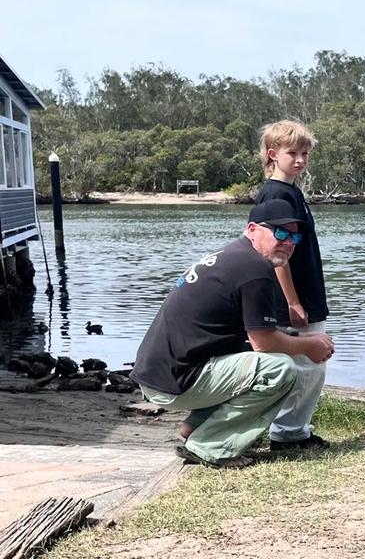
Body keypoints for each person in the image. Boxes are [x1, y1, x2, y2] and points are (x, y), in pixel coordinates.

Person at [131, 200, 336, 469]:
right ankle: (211, 446)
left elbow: (255, 342)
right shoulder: (255, 269)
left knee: (255, 357)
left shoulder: (237, 256)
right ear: (252, 229)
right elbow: (264, 343)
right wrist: (309, 345)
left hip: (161, 373)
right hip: (174, 380)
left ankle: (196, 427)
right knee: (281, 370)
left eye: (295, 236)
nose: (289, 242)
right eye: (280, 233)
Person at [256, 119, 332, 451]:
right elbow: (277, 256)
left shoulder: (291, 192)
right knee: (307, 364)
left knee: (310, 365)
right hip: (294, 297)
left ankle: (293, 430)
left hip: (305, 291)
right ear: (273, 154)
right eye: (293, 153)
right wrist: (293, 301)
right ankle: (289, 434)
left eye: (305, 153)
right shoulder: (276, 194)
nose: (300, 160)